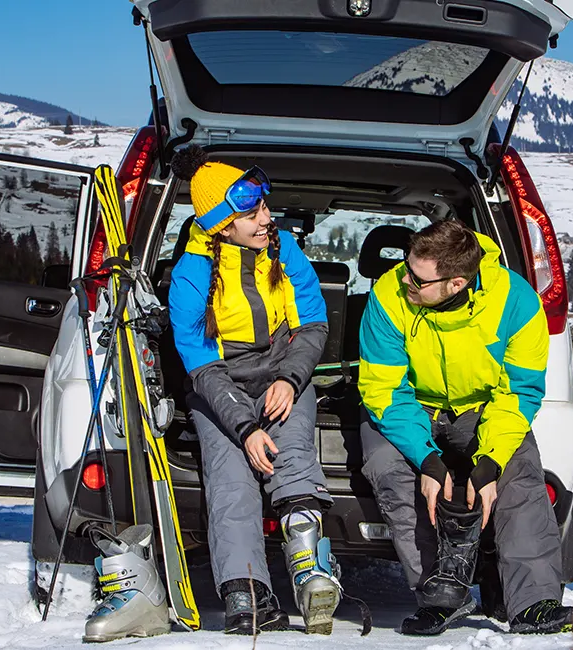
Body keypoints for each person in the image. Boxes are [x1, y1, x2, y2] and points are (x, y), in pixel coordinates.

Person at [358, 218, 573, 635]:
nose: (405, 279)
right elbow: (383, 388)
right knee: (387, 464)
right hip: (412, 405)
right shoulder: (390, 295)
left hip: (481, 408)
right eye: (408, 267)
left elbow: (517, 394)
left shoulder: (516, 301)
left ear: (456, 283)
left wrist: (490, 461)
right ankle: (440, 596)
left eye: (418, 278)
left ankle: (534, 603)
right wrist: (426, 459)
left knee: (519, 468)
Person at [166, 144, 342, 635]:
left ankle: (310, 572)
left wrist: (289, 380)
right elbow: (203, 368)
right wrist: (244, 429)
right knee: (229, 470)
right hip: (220, 384)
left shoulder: (286, 253)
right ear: (222, 224)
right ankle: (246, 592)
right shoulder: (191, 278)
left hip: (283, 371)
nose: (267, 218)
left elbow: (312, 326)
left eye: (265, 205)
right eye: (253, 211)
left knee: (292, 446)